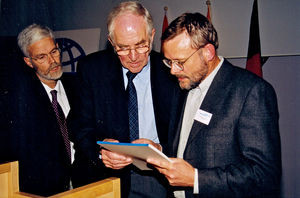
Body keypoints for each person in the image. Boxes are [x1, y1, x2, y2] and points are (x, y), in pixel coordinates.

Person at [147, 13, 282, 198]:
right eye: (169, 62)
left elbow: (265, 175)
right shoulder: (182, 85)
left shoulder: (251, 91)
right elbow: (185, 149)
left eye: (180, 62)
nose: (173, 70)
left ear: (208, 52)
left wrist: (196, 179)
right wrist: (159, 151)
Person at [72, 1, 182, 197]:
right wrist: (101, 150)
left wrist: (160, 149)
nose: (133, 56)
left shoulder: (172, 72)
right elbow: (79, 125)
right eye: (123, 48)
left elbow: (186, 130)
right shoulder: (92, 69)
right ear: (112, 42)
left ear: (152, 35)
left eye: (141, 45)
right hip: (106, 178)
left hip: (156, 176)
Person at [6, 24, 80, 196]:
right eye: (41, 57)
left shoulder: (78, 86)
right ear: (28, 62)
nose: (53, 61)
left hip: (83, 185)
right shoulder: (19, 101)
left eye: (54, 51)